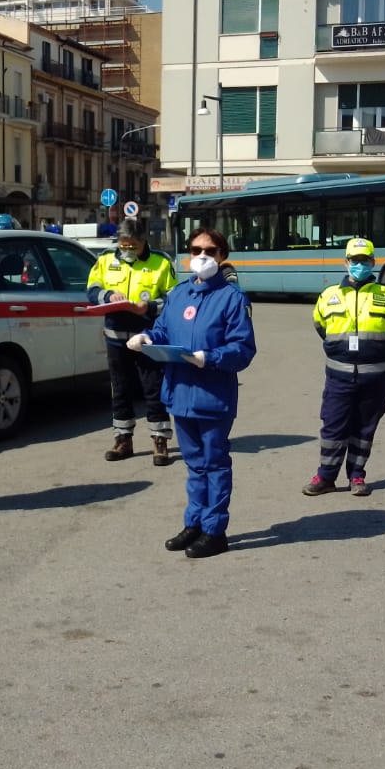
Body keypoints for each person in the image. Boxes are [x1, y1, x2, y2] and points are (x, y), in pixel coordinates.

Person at [127, 228, 256, 559]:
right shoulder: (179, 294)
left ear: (222, 256)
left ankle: (215, 530)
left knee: (214, 464)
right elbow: (163, 329)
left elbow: (243, 349)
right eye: (196, 249)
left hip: (212, 397)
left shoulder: (231, 298)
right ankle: (194, 523)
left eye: (210, 251)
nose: (202, 256)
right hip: (180, 394)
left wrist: (209, 358)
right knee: (195, 466)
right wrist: (147, 338)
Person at [302, 239, 385, 499]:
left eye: (364, 260)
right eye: (354, 260)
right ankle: (325, 476)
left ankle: (357, 475)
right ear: (345, 262)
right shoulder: (329, 296)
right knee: (333, 427)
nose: (359, 265)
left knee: (364, 428)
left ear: (373, 262)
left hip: (376, 376)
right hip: (340, 375)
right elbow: (320, 327)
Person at [86, 217, 178, 465]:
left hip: (147, 338)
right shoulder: (106, 259)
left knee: (153, 388)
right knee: (120, 389)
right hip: (115, 337)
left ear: (143, 241)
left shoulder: (161, 262)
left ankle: (160, 440)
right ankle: (123, 439)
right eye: (123, 245)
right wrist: (107, 295)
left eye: (132, 245)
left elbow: (172, 299)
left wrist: (147, 307)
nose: (126, 250)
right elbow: (92, 289)